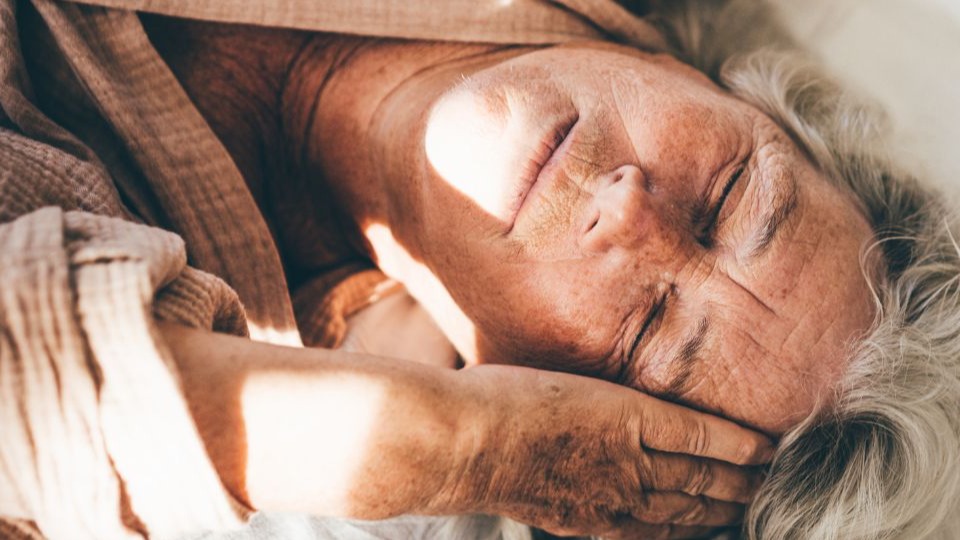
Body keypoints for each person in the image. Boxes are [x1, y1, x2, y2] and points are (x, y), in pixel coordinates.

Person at [1, 1, 957, 540]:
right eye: (731, 190)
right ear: (733, 89)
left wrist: (461, 448)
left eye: (643, 333)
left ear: (555, 421)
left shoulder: (155, 326)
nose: (629, 212)